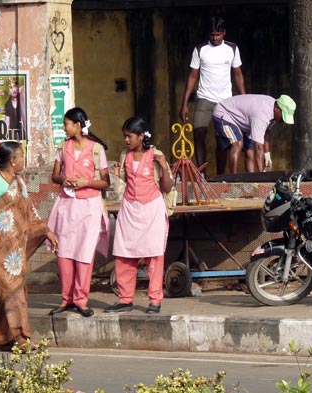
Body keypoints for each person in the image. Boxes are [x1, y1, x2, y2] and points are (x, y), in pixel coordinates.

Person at [0, 141, 59, 351]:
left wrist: (46, 231)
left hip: (14, 251)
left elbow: (29, 212)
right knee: (9, 290)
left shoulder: (19, 182)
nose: (23, 160)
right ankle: (19, 338)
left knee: (7, 291)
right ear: (12, 160)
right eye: (21, 156)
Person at [104, 116, 173, 315]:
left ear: (141, 137)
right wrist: (119, 175)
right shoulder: (125, 155)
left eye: (129, 136)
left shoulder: (155, 154)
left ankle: (155, 300)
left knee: (153, 256)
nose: (126, 140)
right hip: (129, 209)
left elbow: (167, 188)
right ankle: (125, 299)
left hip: (151, 209)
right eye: (125, 136)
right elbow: (128, 181)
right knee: (125, 254)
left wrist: (163, 164)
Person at [47, 107, 111, 318]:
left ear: (77, 125)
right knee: (64, 252)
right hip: (67, 205)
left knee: (84, 253)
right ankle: (67, 299)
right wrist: (62, 179)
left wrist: (87, 182)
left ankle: (81, 300)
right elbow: (54, 176)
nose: (64, 128)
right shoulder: (62, 147)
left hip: (89, 207)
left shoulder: (96, 149)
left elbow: (106, 182)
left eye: (66, 124)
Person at [180, 16, 246, 171]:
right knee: (198, 131)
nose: (215, 38)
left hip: (225, 102)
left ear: (224, 33)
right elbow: (193, 76)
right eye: (212, 35)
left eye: (218, 34)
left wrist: (243, 99)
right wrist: (184, 104)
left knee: (222, 139)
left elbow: (238, 74)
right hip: (204, 98)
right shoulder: (200, 49)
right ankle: (201, 174)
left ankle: (220, 176)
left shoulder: (232, 49)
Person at [212, 94, 296, 174]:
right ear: (278, 109)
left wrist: (267, 154)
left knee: (250, 152)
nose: (283, 121)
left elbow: (266, 133)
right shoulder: (262, 114)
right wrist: (263, 176)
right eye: (283, 117)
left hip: (245, 120)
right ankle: (233, 179)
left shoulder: (274, 111)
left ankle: (251, 181)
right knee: (238, 143)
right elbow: (259, 147)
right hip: (225, 112)